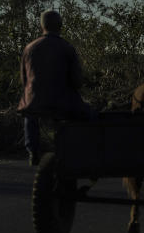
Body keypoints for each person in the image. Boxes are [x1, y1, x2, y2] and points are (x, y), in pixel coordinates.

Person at [17, 10, 95, 166]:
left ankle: (33, 150)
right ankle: (84, 151)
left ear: (41, 26)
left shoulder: (29, 48)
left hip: (34, 102)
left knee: (30, 114)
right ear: (60, 26)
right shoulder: (66, 47)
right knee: (92, 116)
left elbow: (23, 80)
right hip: (62, 102)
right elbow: (77, 81)